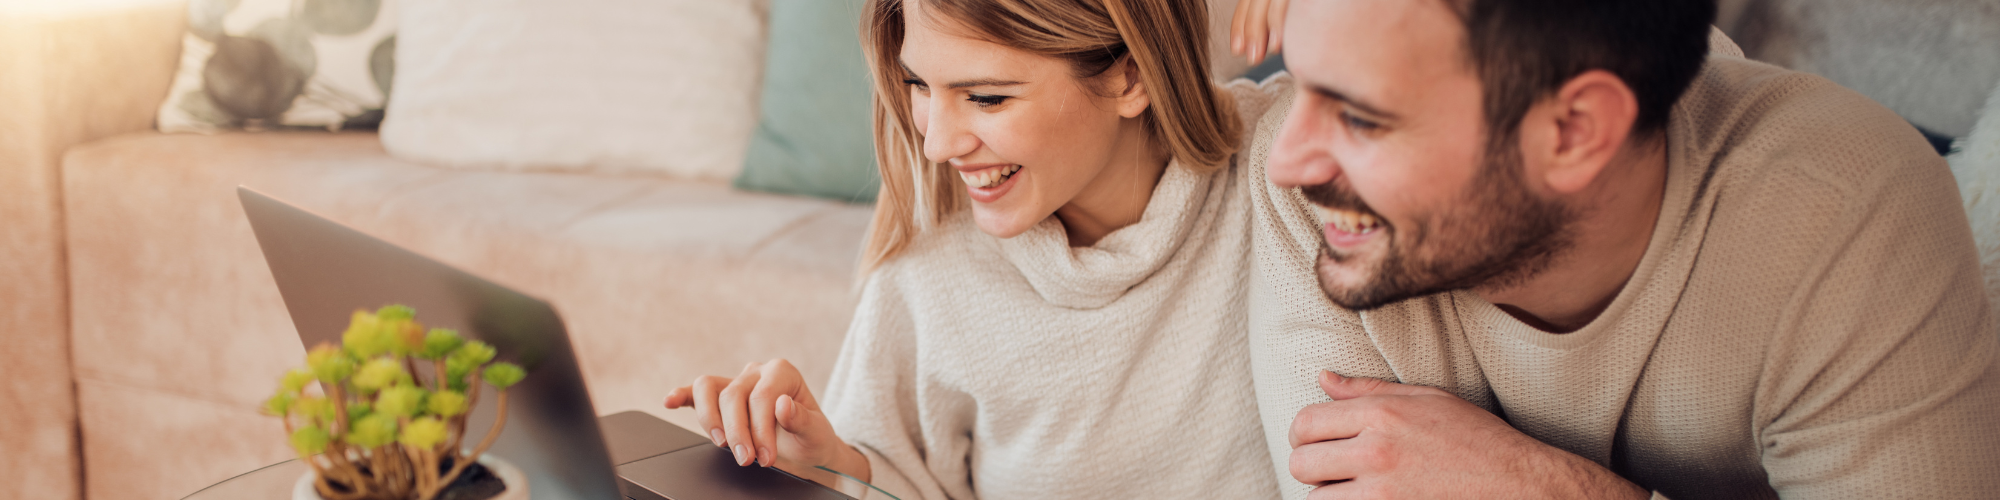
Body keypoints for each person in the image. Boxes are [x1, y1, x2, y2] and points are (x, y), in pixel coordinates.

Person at [1231, 0, 2000, 498]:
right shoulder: (1320, 203)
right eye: (1303, 86)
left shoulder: (1852, 218)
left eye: (1361, 119)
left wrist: (1540, 487)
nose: (1286, 161)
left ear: (1574, 131)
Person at [662, 0, 1295, 498]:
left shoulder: (1290, 160)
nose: (937, 144)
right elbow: (904, 479)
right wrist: (831, 465)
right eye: (917, 84)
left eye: (986, 96)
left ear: (1131, 74)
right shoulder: (932, 261)